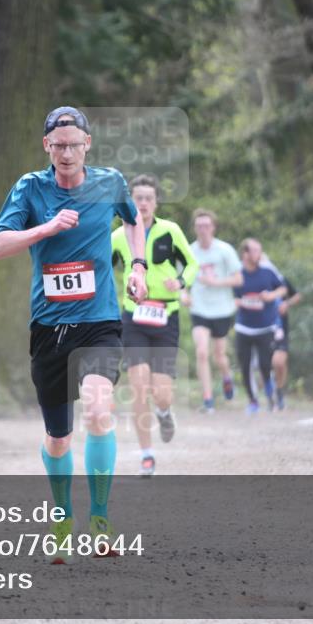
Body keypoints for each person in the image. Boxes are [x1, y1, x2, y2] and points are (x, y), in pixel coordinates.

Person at [0, 106, 148, 563]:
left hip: (99, 322)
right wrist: (46, 228)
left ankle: (100, 517)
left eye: (74, 144)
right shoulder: (30, 189)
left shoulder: (109, 182)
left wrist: (137, 266)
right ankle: (62, 516)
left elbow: (132, 219)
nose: (66, 153)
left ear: (87, 144)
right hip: (49, 329)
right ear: (47, 147)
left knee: (99, 409)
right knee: (58, 437)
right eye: (58, 145)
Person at [111, 174, 198, 477]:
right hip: (133, 317)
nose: (143, 203)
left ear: (156, 202)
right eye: (138, 198)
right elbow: (101, 269)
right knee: (138, 386)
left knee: (161, 392)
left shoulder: (170, 231)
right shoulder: (118, 236)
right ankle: (147, 454)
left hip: (166, 316)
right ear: (130, 202)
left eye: (148, 198)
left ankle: (163, 411)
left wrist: (182, 280)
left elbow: (192, 263)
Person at [183, 209, 242, 414]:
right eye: (199, 226)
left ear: (213, 227)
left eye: (207, 225)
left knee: (219, 356)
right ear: (195, 228)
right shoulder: (189, 250)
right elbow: (181, 278)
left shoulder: (224, 250)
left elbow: (238, 279)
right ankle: (208, 400)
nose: (203, 229)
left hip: (222, 309)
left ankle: (227, 377)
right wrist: (184, 294)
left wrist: (216, 282)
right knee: (201, 352)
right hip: (199, 308)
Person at [232, 238, 287, 414]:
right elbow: (228, 294)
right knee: (245, 365)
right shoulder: (236, 272)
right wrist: (235, 302)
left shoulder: (267, 270)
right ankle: (253, 401)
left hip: (266, 326)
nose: (259, 254)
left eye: (259, 250)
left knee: (265, 364)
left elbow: (283, 289)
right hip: (243, 327)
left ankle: (271, 395)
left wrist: (271, 296)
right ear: (245, 254)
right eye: (255, 251)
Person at [259, 253, 301, 410]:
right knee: (264, 364)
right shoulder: (252, 282)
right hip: (260, 329)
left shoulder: (281, 280)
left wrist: (287, 304)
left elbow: (297, 295)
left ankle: (280, 390)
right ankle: (269, 394)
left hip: (280, 328)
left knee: (279, 362)